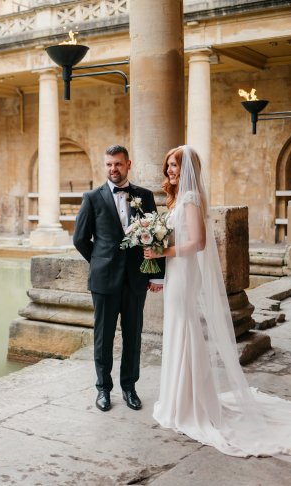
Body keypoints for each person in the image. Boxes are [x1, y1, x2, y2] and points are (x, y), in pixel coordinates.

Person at [143, 145, 291, 474]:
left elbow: (196, 243)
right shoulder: (177, 200)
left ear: (189, 170)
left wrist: (162, 252)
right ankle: (180, 398)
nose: (171, 170)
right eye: (168, 165)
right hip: (176, 274)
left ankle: (188, 404)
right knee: (179, 329)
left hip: (183, 272)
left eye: (176, 166)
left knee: (184, 329)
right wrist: (160, 262)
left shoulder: (192, 199)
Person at [73, 145, 164, 412]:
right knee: (103, 336)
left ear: (128, 164)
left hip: (136, 279)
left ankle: (129, 388)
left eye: (118, 164)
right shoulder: (92, 197)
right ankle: (103, 389)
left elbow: (157, 236)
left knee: (133, 335)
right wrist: (100, 262)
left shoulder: (144, 196)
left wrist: (156, 275)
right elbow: (80, 239)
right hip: (104, 280)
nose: (113, 169)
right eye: (109, 165)